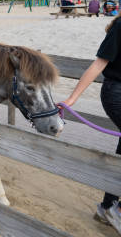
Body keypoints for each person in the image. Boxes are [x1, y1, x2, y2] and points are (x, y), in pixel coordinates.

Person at [60, 13, 121, 234]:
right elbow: (99, 64)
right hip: (115, 92)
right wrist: (72, 99)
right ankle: (118, 211)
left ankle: (106, 207)